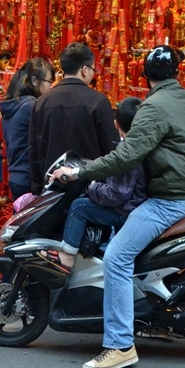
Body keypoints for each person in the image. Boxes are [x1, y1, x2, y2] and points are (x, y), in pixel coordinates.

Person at [50, 45, 185, 368]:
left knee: (116, 259)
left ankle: (120, 345)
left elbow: (125, 157)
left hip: (168, 201)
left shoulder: (155, 106)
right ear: (176, 73)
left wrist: (79, 172)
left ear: (147, 76)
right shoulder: (183, 100)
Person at [57, 96, 147, 268]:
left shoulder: (127, 150)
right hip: (137, 204)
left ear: (116, 124)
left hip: (125, 209)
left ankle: (67, 255)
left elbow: (118, 194)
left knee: (78, 207)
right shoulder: (145, 144)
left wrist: (94, 188)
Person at [28, 43, 119, 194]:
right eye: (92, 70)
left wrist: (37, 189)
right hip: (90, 190)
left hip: (52, 188)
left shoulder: (42, 102)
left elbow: (34, 150)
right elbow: (110, 149)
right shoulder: (98, 101)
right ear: (84, 70)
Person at [0, 58, 54, 200]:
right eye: (49, 82)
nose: (50, 87)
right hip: (29, 178)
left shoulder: (13, 105)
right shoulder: (31, 106)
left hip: (17, 176)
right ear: (36, 81)